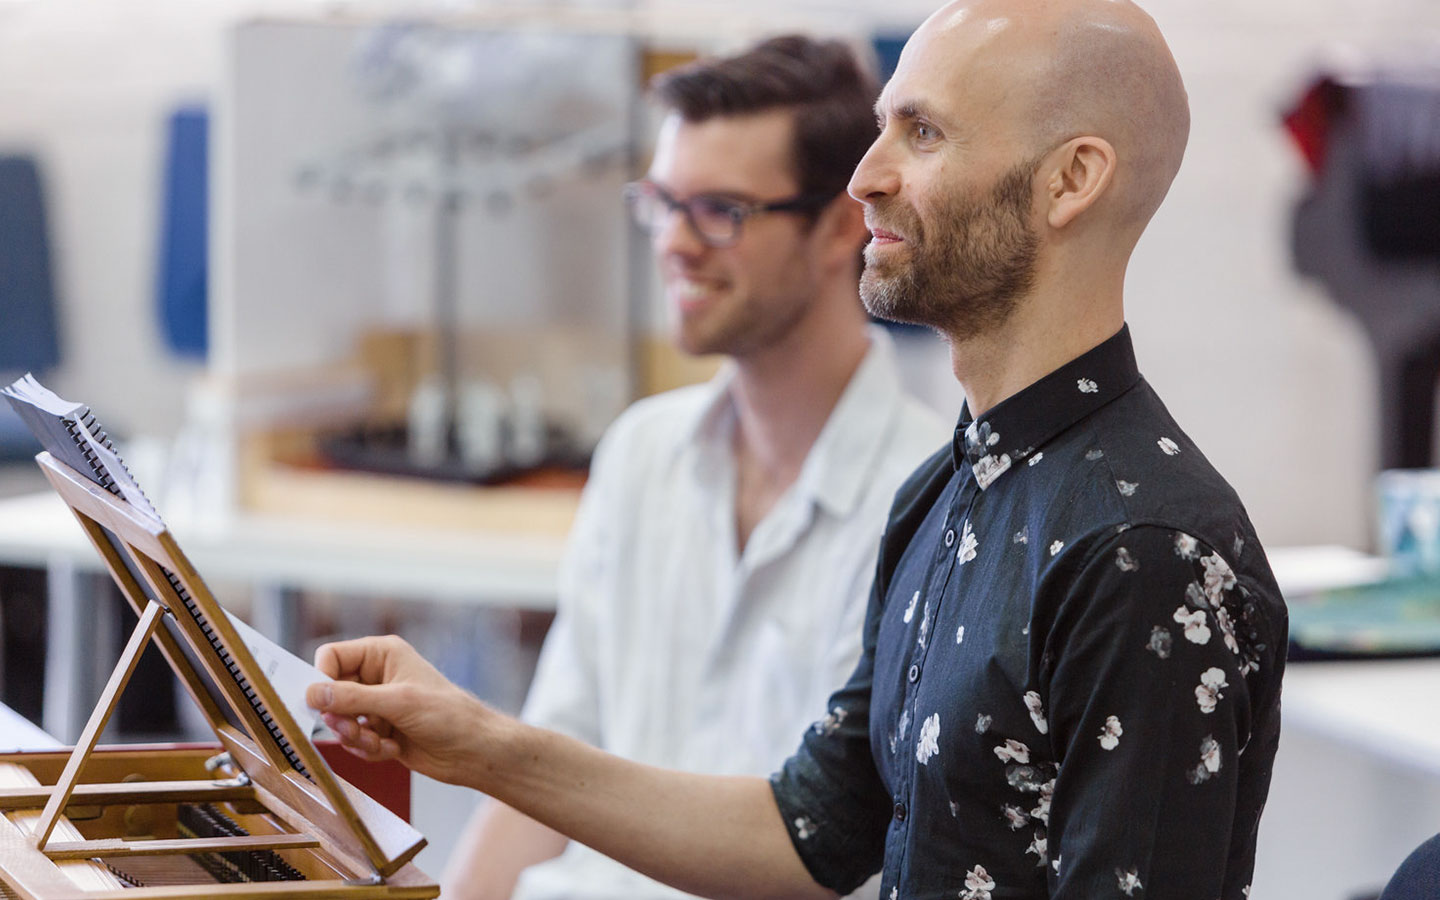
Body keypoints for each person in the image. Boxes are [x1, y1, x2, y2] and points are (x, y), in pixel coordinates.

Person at [307, 2, 1289, 898]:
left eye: (924, 132)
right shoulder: (943, 495)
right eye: (883, 129)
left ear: (1071, 179)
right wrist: (472, 742)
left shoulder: (1147, 549)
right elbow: (808, 826)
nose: (866, 180)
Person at [441, 35, 947, 900]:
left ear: (838, 227)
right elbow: (539, 780)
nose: (675, 242)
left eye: (720, 209)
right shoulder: (642, 455)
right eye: (662, 203)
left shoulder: (928, 499)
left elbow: (830, 853)